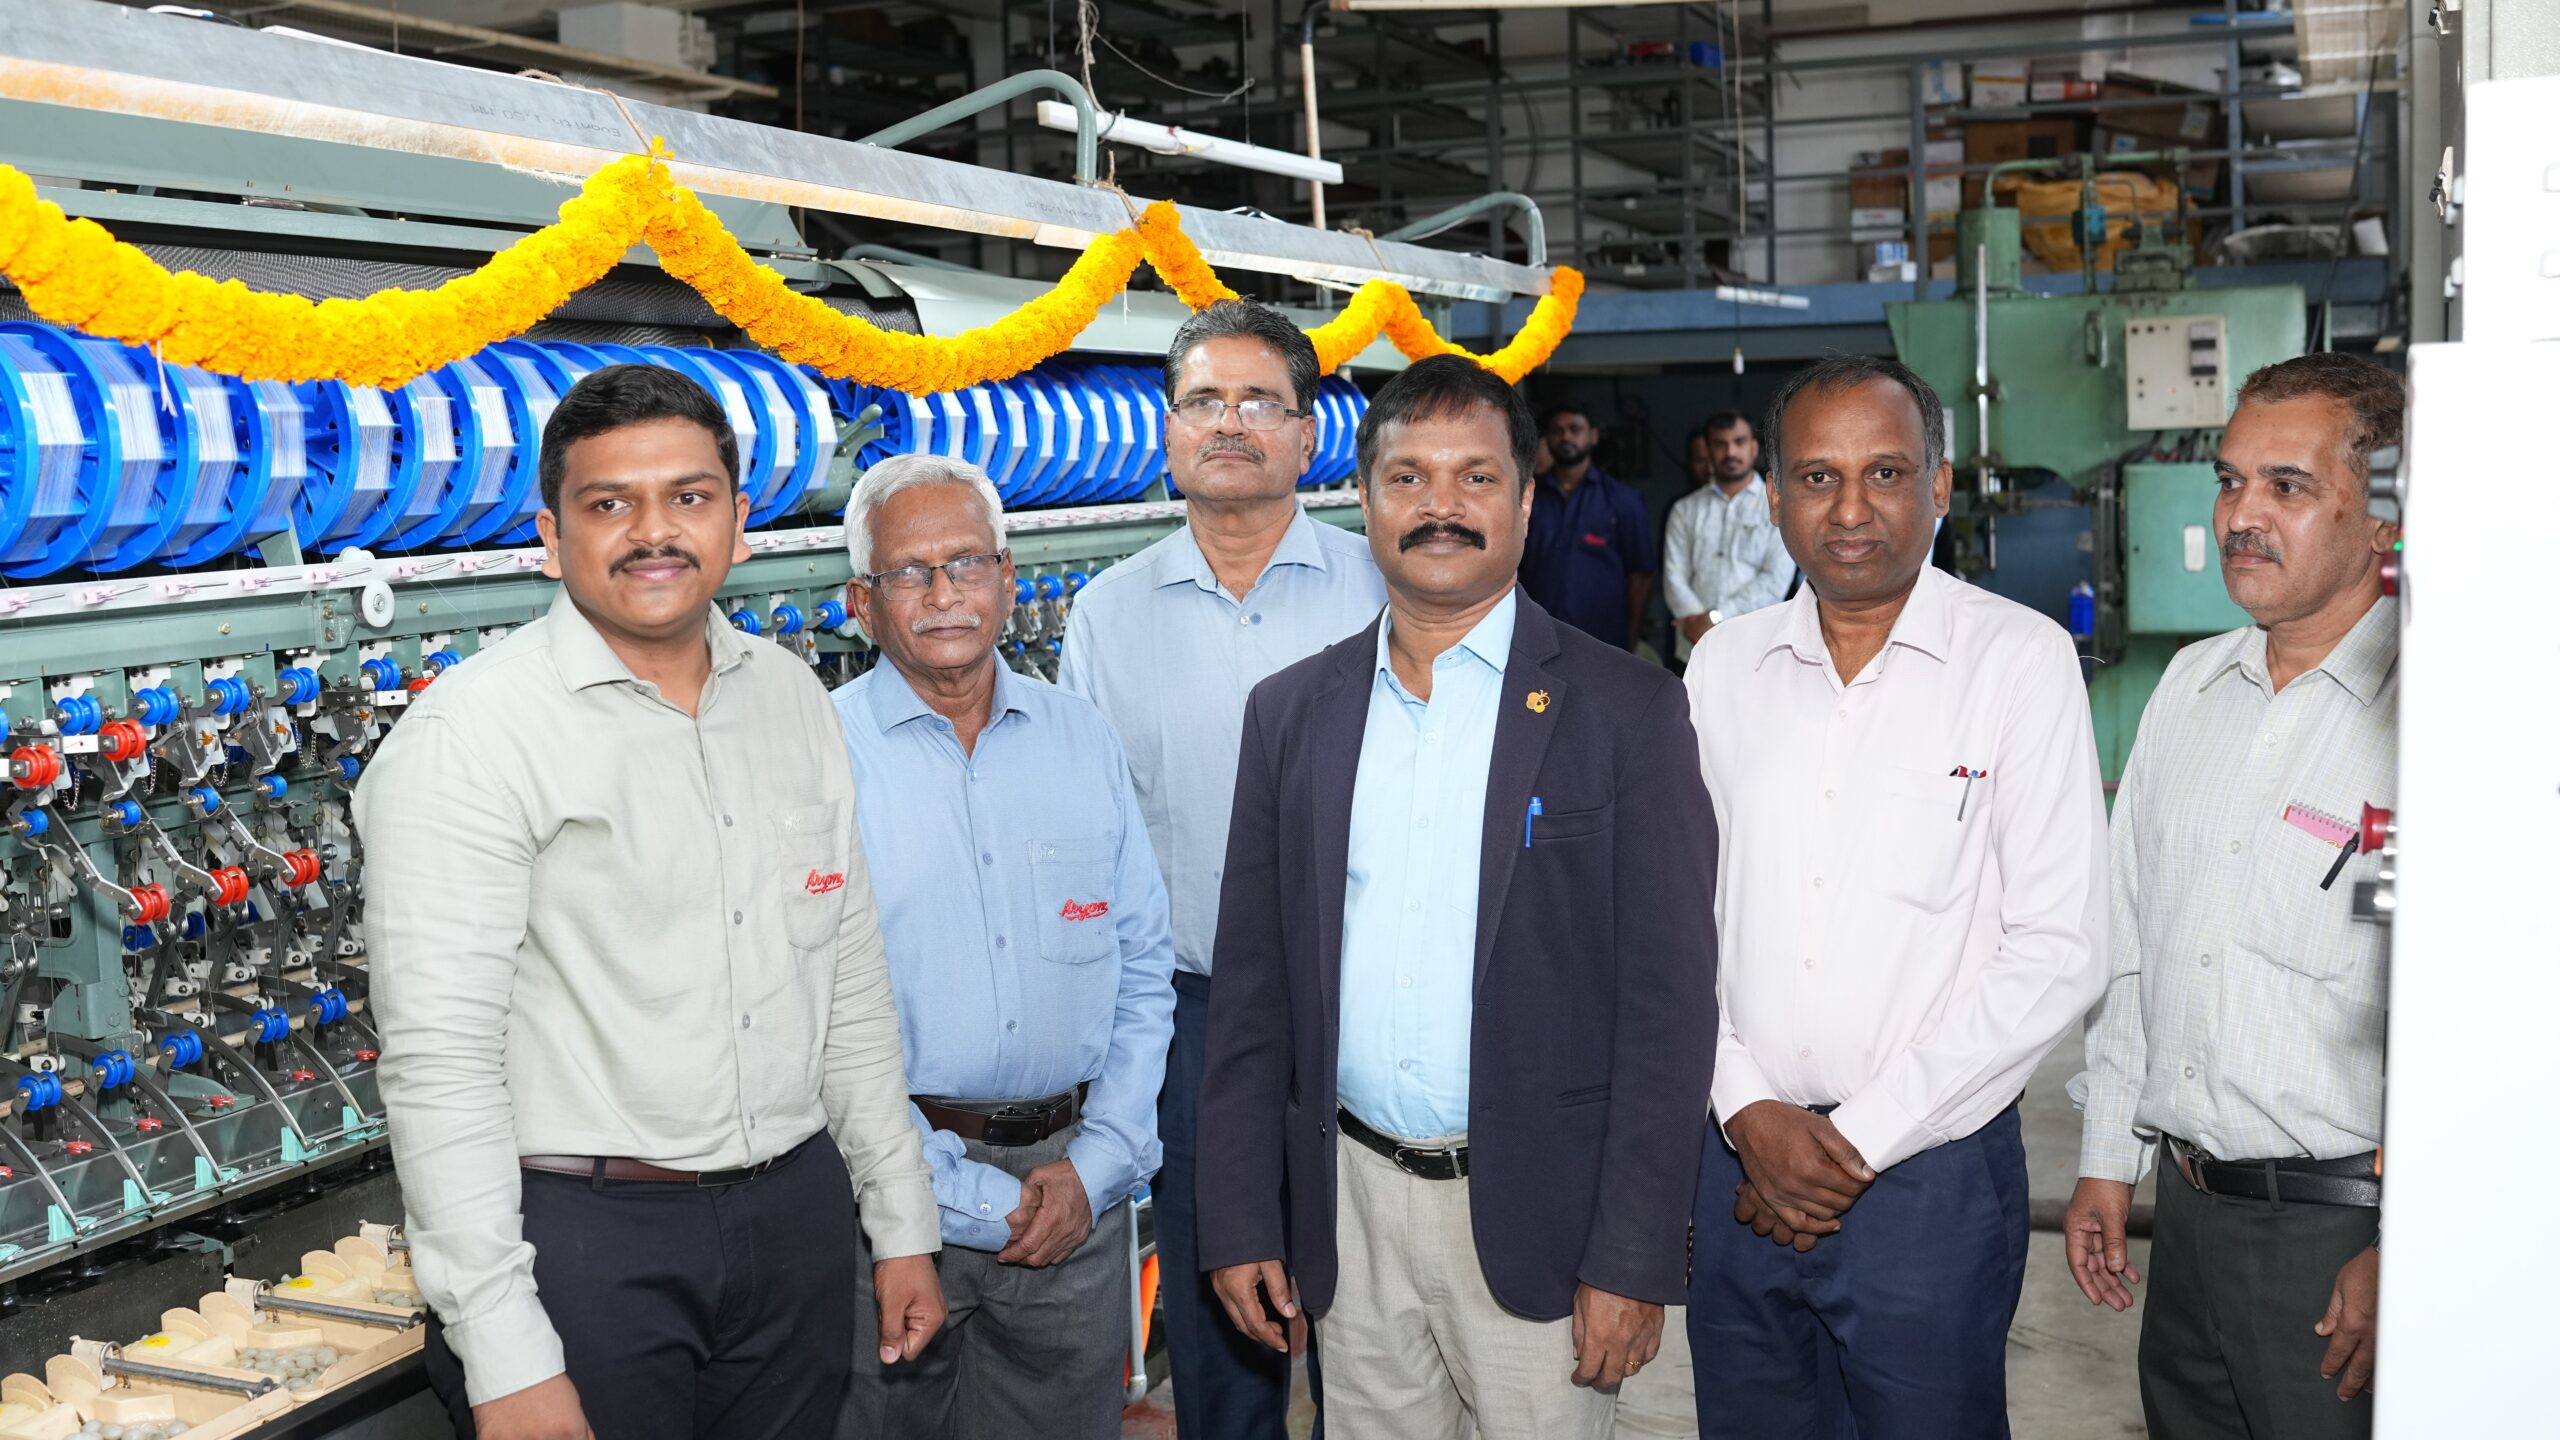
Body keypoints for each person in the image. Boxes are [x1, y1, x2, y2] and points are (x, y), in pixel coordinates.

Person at [357, 364, 943, 1440]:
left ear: (738, 520)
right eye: (609, 504)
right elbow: (440, 1064)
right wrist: (505, 1351)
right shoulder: (471, 739)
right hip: (589, 1242)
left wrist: (899, 1215)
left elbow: (848, 979)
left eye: (688, 496)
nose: (654, 532)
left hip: (793, 1217)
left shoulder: (791, 698)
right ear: (551, 535)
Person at [1197, 355, 1718, 1440]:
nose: (1441, 507)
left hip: (1541, 1219)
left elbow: (1669, 1012)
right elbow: (1252, 993)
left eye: (1475, 479)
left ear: (1526, 502)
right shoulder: (1291, 715)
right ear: (1365, 501)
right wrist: (1243, 1212)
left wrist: (1634, 1253)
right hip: (1350, 1215)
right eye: (1409, 478)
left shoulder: (1626, 711)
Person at [1682, 354, 2107, 1438]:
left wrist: (1856, 1139)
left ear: (1939, 486)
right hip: (1739, 1161)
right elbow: (1679, 919)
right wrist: (1744, 1107)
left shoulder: (2018, 663)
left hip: (1928, 1179)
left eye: (1885, 472)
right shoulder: (1721, 669)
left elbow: (2058, 947)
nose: (1852, 508)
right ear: (1773, 497)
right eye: (1818, 478)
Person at [1057, 299, 1384, 1438]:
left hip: (1373, 1005)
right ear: (1169, 430)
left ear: (1308, 435)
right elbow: (1092, 837)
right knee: (1222, 1321)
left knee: (1380, 1320)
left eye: (1259, 402)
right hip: (1201, 1021)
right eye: (1203, 401)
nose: (1230, 423)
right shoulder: (1106, 616)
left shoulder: (1383, 591)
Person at [2065, 353, 2401, 1437]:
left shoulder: (2439, 718)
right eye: (2228, 481)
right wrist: (2107, 1160)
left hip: (2338, 1246)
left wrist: (2411, 1241)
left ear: (2382, 515)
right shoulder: (2188, 688)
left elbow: (2495, 1020)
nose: (2240, 516)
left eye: (2286, 488)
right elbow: (2128, 946)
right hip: (2188, 1225)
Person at [827, 454, 1176, 1440]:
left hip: (1077, 1195)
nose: (944, 593)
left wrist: (1100, 1164)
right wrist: (970, 1197)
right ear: (861, 601)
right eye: (910, 572)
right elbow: (809, 1014)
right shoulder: (817, 759)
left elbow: (1143, 972)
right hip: (888, 1196)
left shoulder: (1080, 740)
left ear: (1009, 579)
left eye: (967, 562)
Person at [1519, 401, 1655, 651]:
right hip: (1536, 639)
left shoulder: (1623, 500)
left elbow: (1641, 577)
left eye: (1575, 429)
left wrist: (1631, 640)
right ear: (1547, 438)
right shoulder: (1526, 497)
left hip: (1603, 643)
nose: (1565, 437)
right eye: (1557, 430)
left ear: (1593, 436)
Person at [1660, 413, 1791, 662]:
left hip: (1756, 649)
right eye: (1720, 444)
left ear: (1754, 447)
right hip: (1693, 649)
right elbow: (1674, 576)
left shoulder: (1777, 505)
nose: (1730, 452)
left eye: (1739, 441)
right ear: (1708, 451)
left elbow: (1775, 580)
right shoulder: (1685, 509)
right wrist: (1696, 622)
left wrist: (1714, 619)